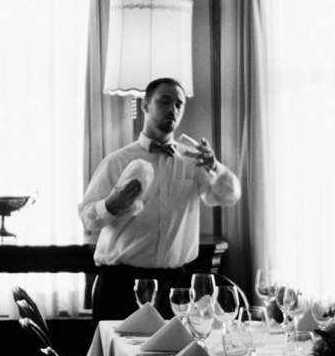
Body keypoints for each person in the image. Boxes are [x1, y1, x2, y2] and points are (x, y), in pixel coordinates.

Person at [79, 76, 241, 323]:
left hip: (174, 286)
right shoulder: (117, 161)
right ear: (145, 105)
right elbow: (87, 217)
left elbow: (229, 196)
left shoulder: (194, 162)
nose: (173, 109)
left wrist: (214, 167)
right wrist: (112, 203)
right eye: (165, 101)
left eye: (179, 104)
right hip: (120, 284)